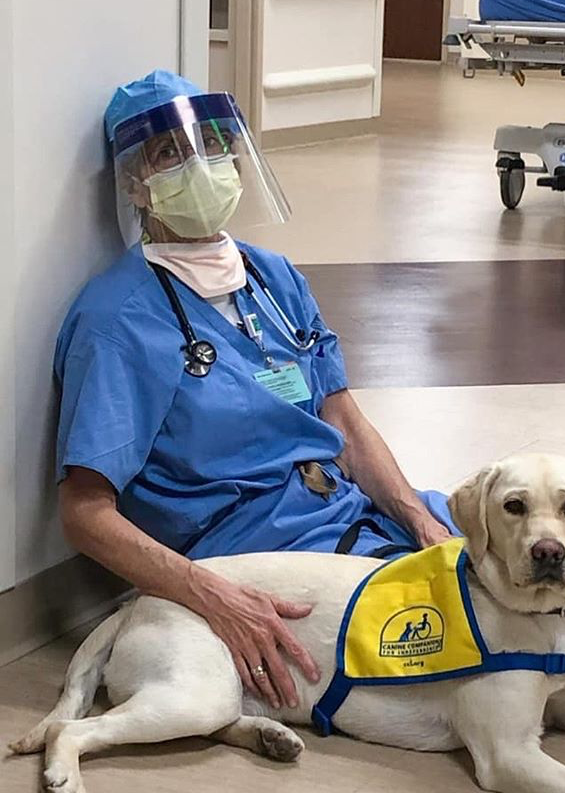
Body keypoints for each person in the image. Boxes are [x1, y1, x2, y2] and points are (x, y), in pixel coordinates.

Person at [54, 70, 453, 712]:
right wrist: (211, 594)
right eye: (171, 154)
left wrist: (421, 520)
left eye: (214, 146)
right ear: (135, 185)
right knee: (513, 625)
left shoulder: (272, 277)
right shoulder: (118, 322)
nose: (202, 166)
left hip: (348, 508)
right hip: (263, 546)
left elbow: (341, 417)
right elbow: (85, 512)